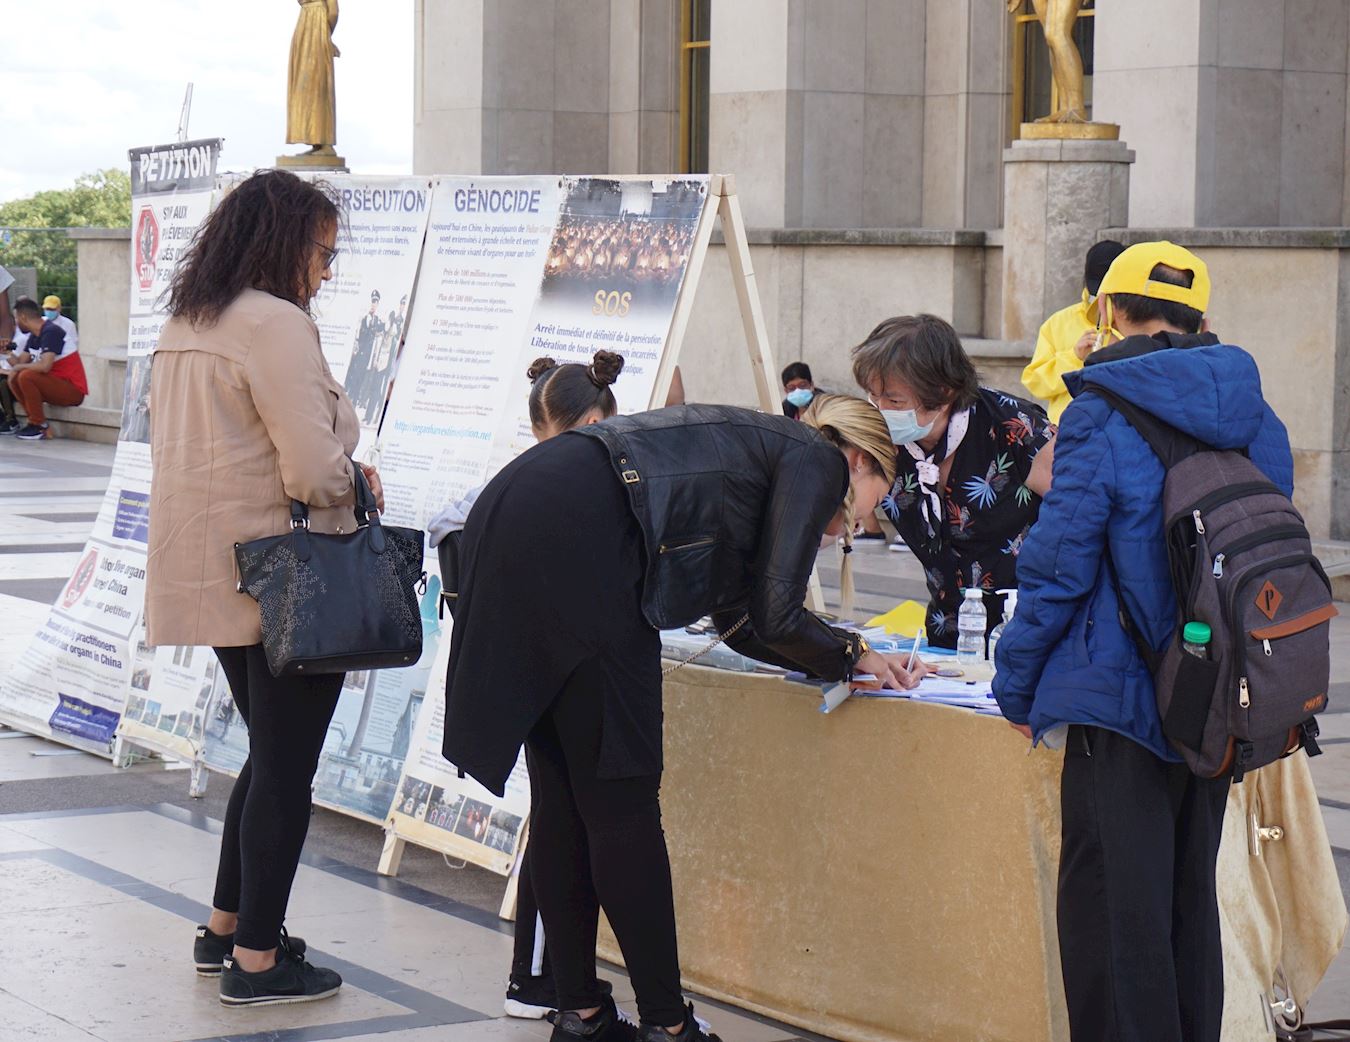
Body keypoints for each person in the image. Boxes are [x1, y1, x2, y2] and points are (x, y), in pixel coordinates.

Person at [444, 395, 922, 1042]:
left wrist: (842, 658)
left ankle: (581, 1015)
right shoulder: (817, 459)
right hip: (587, 540)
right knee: (622, 805)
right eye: (875, 501)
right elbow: (778, 614)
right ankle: (669, 1026)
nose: (859, 523)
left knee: (563, 801)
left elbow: (742, 620)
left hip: (519, 508)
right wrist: (853, 650)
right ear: (860, 461)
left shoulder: (763, 453)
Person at [991, 242, 1294, 1042]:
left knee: (1113, 920)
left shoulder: (1099, 412)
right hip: (1216, 694)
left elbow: (1058, 564)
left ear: (1104, 311)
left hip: (1120, 700)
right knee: (1188, 905)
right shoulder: (1254, 411)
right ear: (1202, 318)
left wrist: (1015, 684)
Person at [145, 169, 385, 1008]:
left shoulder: (190, 318)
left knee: (270, 756)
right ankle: (255, 961)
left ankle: (226, 929)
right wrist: (355, 478)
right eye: (322, 251)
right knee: (287, 771)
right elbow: (313, 470)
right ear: (284, 242)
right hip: (286, 577)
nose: (326, 269)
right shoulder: (276, 324)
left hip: (216, 570)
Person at [426, 349, 628, 1021]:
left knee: (555, 816)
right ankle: (535, 977)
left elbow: (449, 526)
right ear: (596, 420)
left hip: (521, 664)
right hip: (553, 669)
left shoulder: (518, 477)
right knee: (558, 819)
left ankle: (543, 977)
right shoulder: (571, 478)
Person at [853, 314, 1053, 647]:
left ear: (944, 391)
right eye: (874, 398)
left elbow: (1082, 515)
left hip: (1030, 628)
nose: (881, 410)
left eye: (894, 401)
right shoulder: (882, 444)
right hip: (948, 633)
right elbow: (843, 504)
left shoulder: (1014, 427)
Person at [1021, 240, 1125, 422]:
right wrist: (1074, 357)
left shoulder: (1136, 323)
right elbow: (1035, 383)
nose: (1101, 299)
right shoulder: (1058, 323)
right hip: (1066, 430)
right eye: (1096, 291)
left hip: (1120, 428)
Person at [5, 296, 88, 440]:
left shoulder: (51, 331)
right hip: (54, 384)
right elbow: (19, 362)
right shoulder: (35, 334)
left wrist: (18, 367)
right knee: (14, 378)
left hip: (73, 390)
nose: (16, 323)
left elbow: (45, 366)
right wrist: (6, 352)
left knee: (25, 375)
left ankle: (39, 426)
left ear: (23, 317)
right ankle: (34, 421)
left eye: (16, 318)